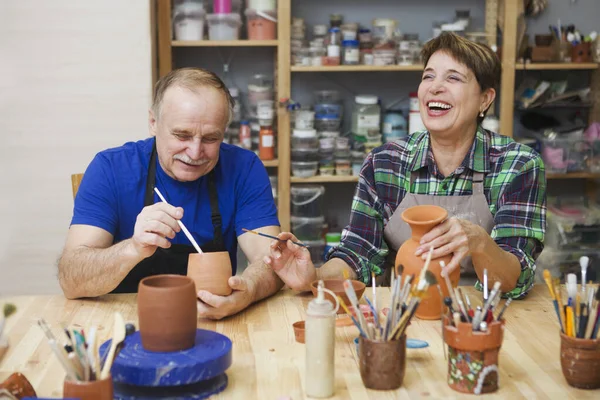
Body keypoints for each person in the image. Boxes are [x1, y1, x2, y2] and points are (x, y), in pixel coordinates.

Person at [266, 32, 546, 299]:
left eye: (454, 77)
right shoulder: (385, 163)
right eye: (428, 76)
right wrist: (314, 278)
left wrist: (480, 242)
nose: (435, 86)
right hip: (406, 315)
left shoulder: (518, 166)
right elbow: (358, 252)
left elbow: (515, 279)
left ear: (485, 99)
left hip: (485, 316)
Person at [58, 67, 284, 319]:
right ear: (153, 123)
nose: (195, 152)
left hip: (213, 319)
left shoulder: (243, 168)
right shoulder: (111, 169)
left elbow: (273, 261)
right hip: (125, 322)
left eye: (210, 138)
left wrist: (249, 289)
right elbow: (71, 278)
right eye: (182, 135)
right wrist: (133, 248)